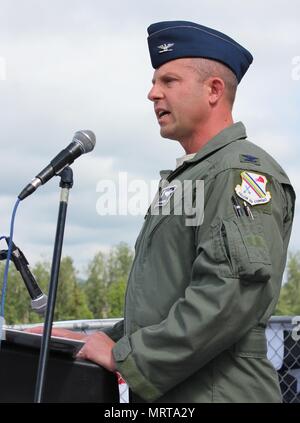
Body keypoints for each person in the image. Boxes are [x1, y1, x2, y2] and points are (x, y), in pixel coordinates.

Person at [29, 21, 295, 402]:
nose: (153, 93)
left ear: (214, 90)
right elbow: (165, 306)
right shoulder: (194, 176)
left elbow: (226, 297)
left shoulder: (239, 172)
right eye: (155, 82)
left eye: (169, 81)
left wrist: (126, 355)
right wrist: (102, 339)